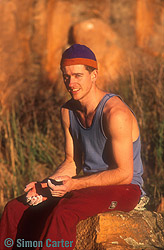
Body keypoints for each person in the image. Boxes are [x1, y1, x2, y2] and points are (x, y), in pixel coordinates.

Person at [0, 44, 146, 249]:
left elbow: (124, 174)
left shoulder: (115, 114)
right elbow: (72, 162)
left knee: (63, 213)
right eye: (66, 76)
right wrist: (45, 185)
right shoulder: (68, 111)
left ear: (94, 74)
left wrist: (74, 185)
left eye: (78, 76)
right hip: (87, 185)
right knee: (15, 208)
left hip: (124, 188)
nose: (71, 83)